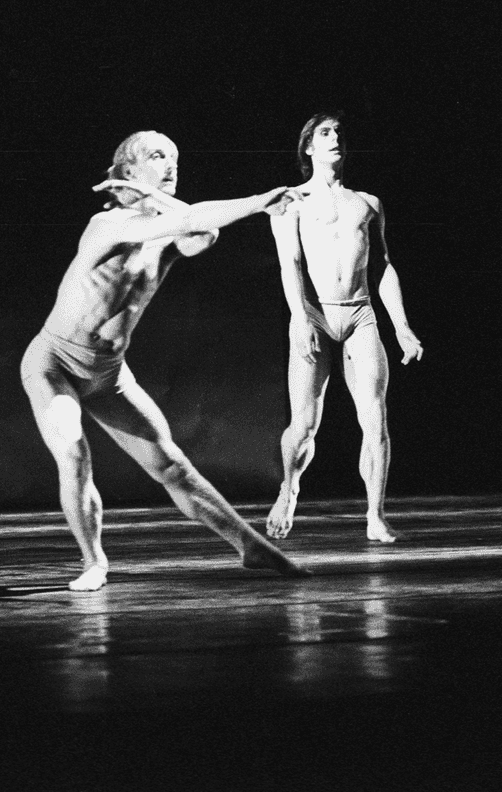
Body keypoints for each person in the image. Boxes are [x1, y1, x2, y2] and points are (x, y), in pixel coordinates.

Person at [20, 131, 310, 591]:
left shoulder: (166, 236)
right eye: (157, 156)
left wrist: (153, 194)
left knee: (171, 467)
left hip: (108, 373)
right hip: (53, 365)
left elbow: (203, 233)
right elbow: (191, 219)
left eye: (175, 156)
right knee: (73, 453)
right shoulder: (108, 224)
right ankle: (94, 562)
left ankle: (252, 548)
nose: (172, 164)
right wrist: (258, 202)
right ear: (128, 170)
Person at [265, 114, 423, 543]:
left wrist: (402, 326)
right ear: (309, 147)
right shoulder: (291, 202)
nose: (335, 138)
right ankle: (289, 487)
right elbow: (289, 264)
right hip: (315, 312)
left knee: (375, 419)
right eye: (325, 133)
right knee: (304, 425)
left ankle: (375, 515)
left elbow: (382, 266)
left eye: (338, 132)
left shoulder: (367, 203)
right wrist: (300, 318)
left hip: (360, 314)